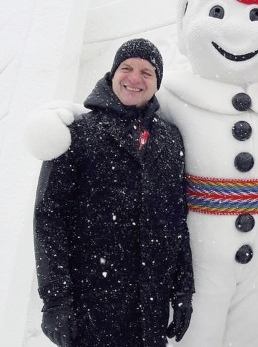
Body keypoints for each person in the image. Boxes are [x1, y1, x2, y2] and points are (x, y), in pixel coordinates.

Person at [33, 38, 195, 347]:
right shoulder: (77, 133)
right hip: (92, 306)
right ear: (112, 74)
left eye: (147, 73)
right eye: (127, 68)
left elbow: (177, 221)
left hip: (151, 307)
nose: (135, 78)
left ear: (157, 82)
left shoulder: (170, 140)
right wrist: (55, 301)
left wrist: (183, 290)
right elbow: (49, 219)